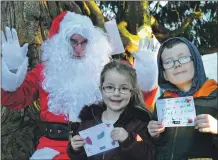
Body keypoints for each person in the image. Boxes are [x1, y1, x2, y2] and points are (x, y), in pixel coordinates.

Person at [1, 11, 158, 159]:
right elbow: (12, 99)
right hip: (53, 149)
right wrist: (12, 69)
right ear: (61, 43)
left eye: (84, 43)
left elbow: (138, 103)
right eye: (73, 42)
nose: (79, 49)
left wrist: (147, 74)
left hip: (100, 147)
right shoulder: (46, 72)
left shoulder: (107, 70)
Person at [67, 60, 155, 160]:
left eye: (124, 88)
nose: (116, 93)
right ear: (101, 89)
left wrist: (128, 139)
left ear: (132, 92)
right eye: (110, 87)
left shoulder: (140, 123)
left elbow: (150, 155)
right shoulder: (88, 121)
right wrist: (75, 149)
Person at [147, 37, 218, 160]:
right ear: (164, 74)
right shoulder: (162, 103)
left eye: (183, 58)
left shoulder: (215, 96)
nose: (177, 64)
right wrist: (155, 135)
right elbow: (157, 148)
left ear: (196, 61)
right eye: (169, 62)